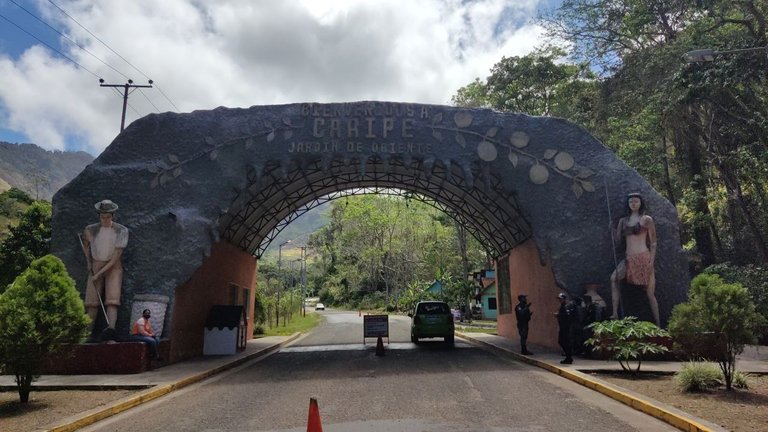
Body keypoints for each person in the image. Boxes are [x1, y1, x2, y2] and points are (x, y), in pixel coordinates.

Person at [609, 193, 660, 326]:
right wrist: (613, 230)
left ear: (640, 203)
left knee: (650, 293)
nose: (633, 203)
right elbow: (618, 241)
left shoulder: (646, 219)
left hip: (644, 257)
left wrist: (651, 262)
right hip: (629, 258)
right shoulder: (623, 221)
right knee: (614, 278)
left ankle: (659, 325)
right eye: (631, 201)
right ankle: (614, 313)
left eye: (636, 201)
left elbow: (653, 242)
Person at [81, 199, 129, 332]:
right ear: (99, 216)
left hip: (113, 266)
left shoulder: (121, 231)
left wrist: (99, 274)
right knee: (92, 302)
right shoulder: (90, 230)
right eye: (103, 217)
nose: (105, 220)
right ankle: (87, 333)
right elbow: (86, 246)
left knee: (112, 301)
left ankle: (110, 331)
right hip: (95, 263)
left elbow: (116, 257)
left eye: (108, 217)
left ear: (113, 216)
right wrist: (89, 262)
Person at [554, 292, 575, 364]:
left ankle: (569, 357)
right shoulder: (563, 306)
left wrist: (558, 315)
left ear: (564, 299)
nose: (560, 300)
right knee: (562, 341)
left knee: (564, 342)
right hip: (563, 327)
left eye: (561, 299)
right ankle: (568, 356)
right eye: (559, 299)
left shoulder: (566, 306)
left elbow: (567, 316)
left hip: (566, 327)